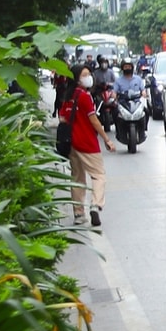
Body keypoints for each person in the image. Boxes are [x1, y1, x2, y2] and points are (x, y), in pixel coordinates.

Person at [60, 62, 115, 227]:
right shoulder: (84, 96)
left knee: (77, 178)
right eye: (84, 75)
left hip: (72, 144)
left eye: (88, 74)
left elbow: (62, 119)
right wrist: (107, 139)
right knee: (98, 175)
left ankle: (78, 214)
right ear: (76, 79)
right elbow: (94, 121)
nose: (88, 77)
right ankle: (95, 205)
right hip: (87, 143)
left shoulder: (67, 96)